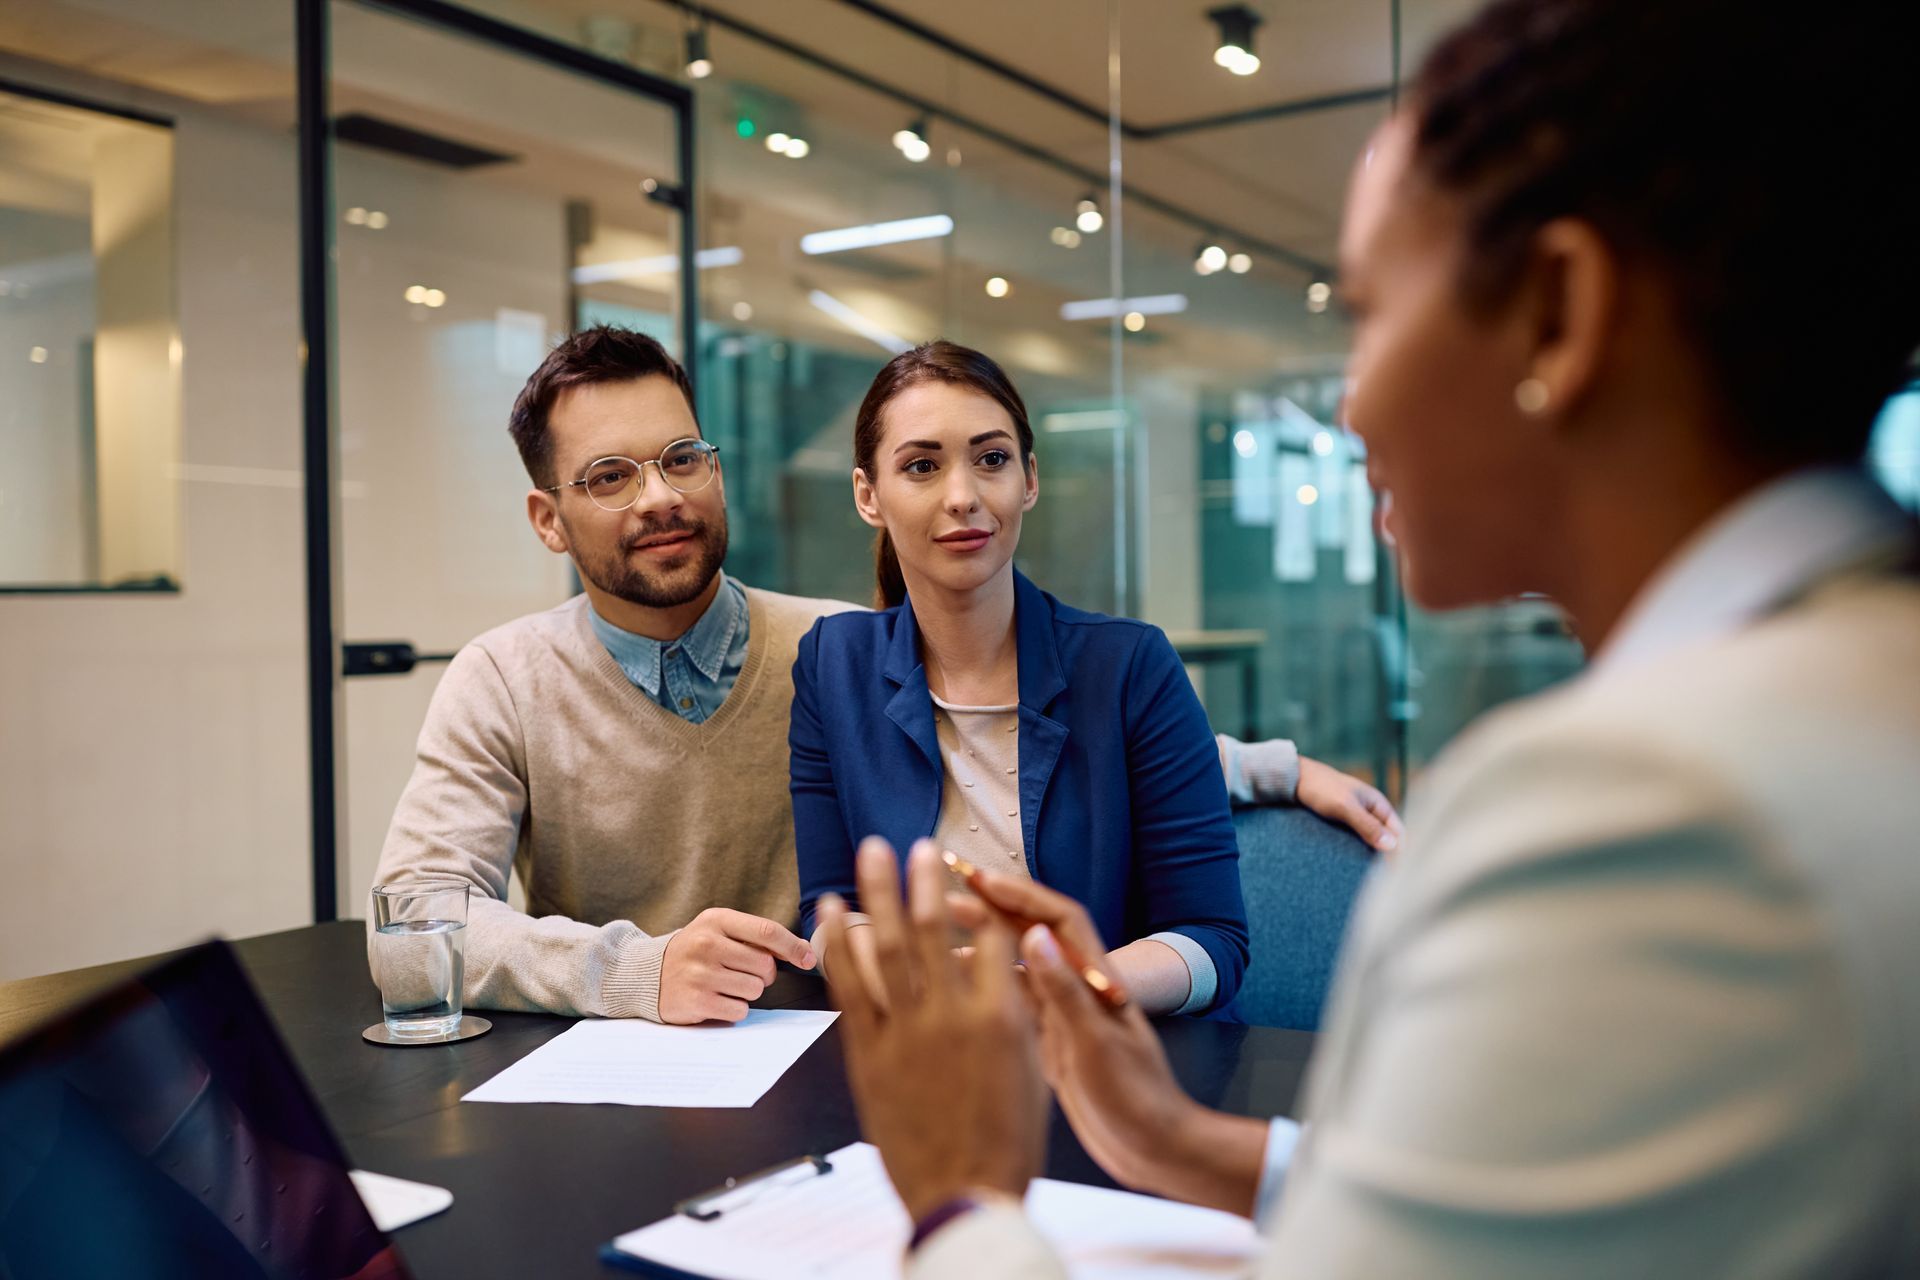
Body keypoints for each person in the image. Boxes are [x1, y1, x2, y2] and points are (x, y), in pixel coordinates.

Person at [815, 0, 1920, 1274]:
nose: (1347, 404)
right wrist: (1187, 1144)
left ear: (1558, 314)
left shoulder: (1634, 806)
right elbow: (1529, 1208)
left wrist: (960, 1199)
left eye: (1372, 310)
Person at [374, 328, 1384, 1025]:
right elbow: (414, 928)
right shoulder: (506, 679)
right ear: (548, 517)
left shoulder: (828, 647)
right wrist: (634, 969)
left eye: (683, 457)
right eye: (609, 475)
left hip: (873, 1061)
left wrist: (1279, 769)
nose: (662, 496)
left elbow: (1061, 731)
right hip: (649, 1070)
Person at [793, 342, 1256, 1017]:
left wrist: (1050, 987)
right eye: (922, 466)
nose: (963, 496)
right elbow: (830, 909)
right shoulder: (832, 665)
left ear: (1029, 479)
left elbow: (1213, 942)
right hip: (921, 1050)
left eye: (992, 459)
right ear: (869, 495)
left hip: (1103, 1056)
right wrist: (898, 972)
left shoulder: (1130, 666)